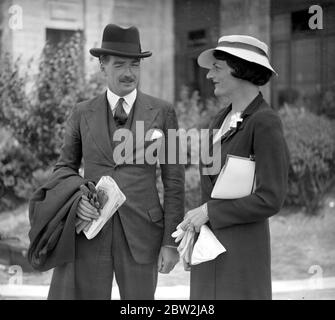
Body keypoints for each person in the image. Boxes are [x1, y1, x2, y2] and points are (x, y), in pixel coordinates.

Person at [48, 24, 185, 300]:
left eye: (134, 65)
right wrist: (79, 199)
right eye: (120, 64)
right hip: (91, 232)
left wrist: (171, 242)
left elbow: (174, 181)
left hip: (143, 234)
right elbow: (64, 168)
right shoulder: (81, 113)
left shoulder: (163, 112)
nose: (128, 73)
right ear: (102, 66)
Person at [179, 35, 290, 299]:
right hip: (209, 251)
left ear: (240, 68)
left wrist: (209, 211)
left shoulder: (265, 122)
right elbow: (215, 188)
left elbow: (270, 199)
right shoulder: (220, 119)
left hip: (241, 257)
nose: (208, 76)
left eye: (217, 68)